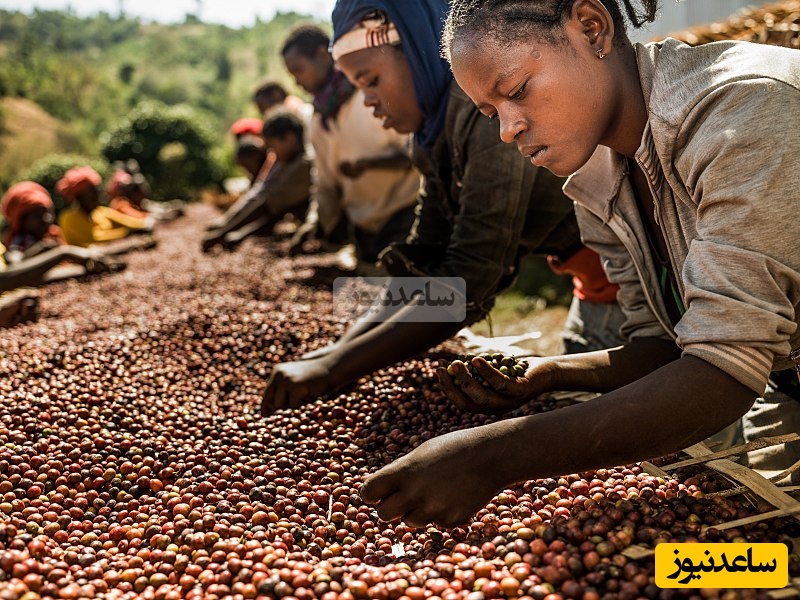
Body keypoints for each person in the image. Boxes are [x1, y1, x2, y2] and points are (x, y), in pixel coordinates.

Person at [356, 0, 800, 528]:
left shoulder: (743, 111)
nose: (507, 129)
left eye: (517, 90)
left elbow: (721, 373)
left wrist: (493, 457)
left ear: (592, 28)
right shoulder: (598, 176)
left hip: (762, 377)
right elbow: (665, 345)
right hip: (784, 376)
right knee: (762, 541)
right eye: (491, 113)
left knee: (763, 559)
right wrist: (550, 373)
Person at [261, 0, 624, 414]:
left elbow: (468, 277)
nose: (369, 102)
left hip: (632, 281)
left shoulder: (484, 114)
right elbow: (426, 258)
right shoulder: (431, 136)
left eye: (372, 81)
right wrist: (335, 352)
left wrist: (333, 368)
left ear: (416, 49)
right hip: (595, 285)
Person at [280, 24, 421, 264]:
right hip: (363, 229)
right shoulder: (317, 121)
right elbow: (324, 183)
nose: (296, 82)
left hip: (406, 214)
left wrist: (368, 165)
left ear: (322, 55)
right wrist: (315, 222)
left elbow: (415, 155)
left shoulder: (372, 96)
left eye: (298, 70)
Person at [202, 111, 312, 252]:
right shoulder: (287, 161)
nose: (272, 153)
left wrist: (222, 233)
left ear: (289, 138)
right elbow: (266, 200)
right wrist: (233, 229)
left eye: (273, 146)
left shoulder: (304, 164)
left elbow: (268, 205)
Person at [57, 166, 153, 248]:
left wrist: (144, 225)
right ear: (79, 197)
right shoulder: (68, 218)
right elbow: (94, 238)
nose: (98, 196)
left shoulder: (101, 212)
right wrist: (127, 233)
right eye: (92, 193)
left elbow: (135, 223)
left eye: (97, 191)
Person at [1, 181, 67, 262]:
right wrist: (41, 248)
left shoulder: (53, 234)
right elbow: (15, 262)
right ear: (23, 220)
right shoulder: (18, 240)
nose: (46, 219)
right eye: (37, 215)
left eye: (48, 213)